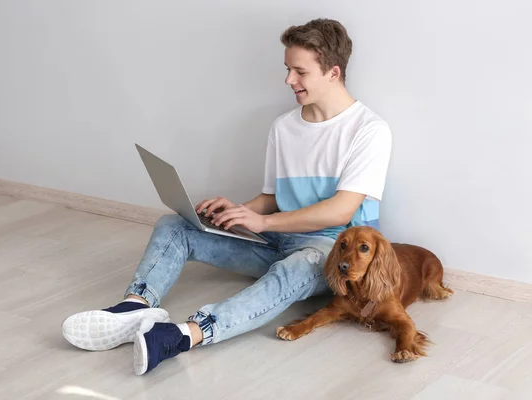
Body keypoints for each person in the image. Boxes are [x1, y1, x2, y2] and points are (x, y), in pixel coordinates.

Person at [62, 18, 392, 376]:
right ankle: (134, 306)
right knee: (177, 225)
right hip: (277, 238)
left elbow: (341, 210)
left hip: (331, 252)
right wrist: (237, 211)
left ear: (333, 72)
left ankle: (184, 334)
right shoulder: (284, 127)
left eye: (300, 71)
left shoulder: (369, 130)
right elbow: (273, 197)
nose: (288, 81)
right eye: (287, 69)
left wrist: (262, 221)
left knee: (293, 268)